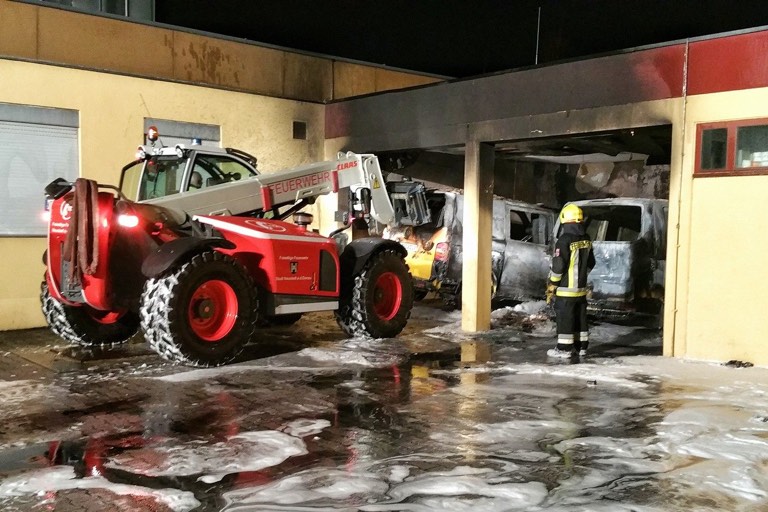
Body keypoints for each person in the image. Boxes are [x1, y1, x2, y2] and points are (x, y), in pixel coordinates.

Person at [546, 203, 595, 359]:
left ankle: (564, 349)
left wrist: (553, 283)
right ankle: (581, 347)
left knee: (565, 318)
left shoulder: (564, 240)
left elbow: (559, 265)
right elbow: (591, 263)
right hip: (581, 290)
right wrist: (581, 277)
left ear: (564, 219)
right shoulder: (586, 239)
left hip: (566, 290)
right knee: (580, 318)